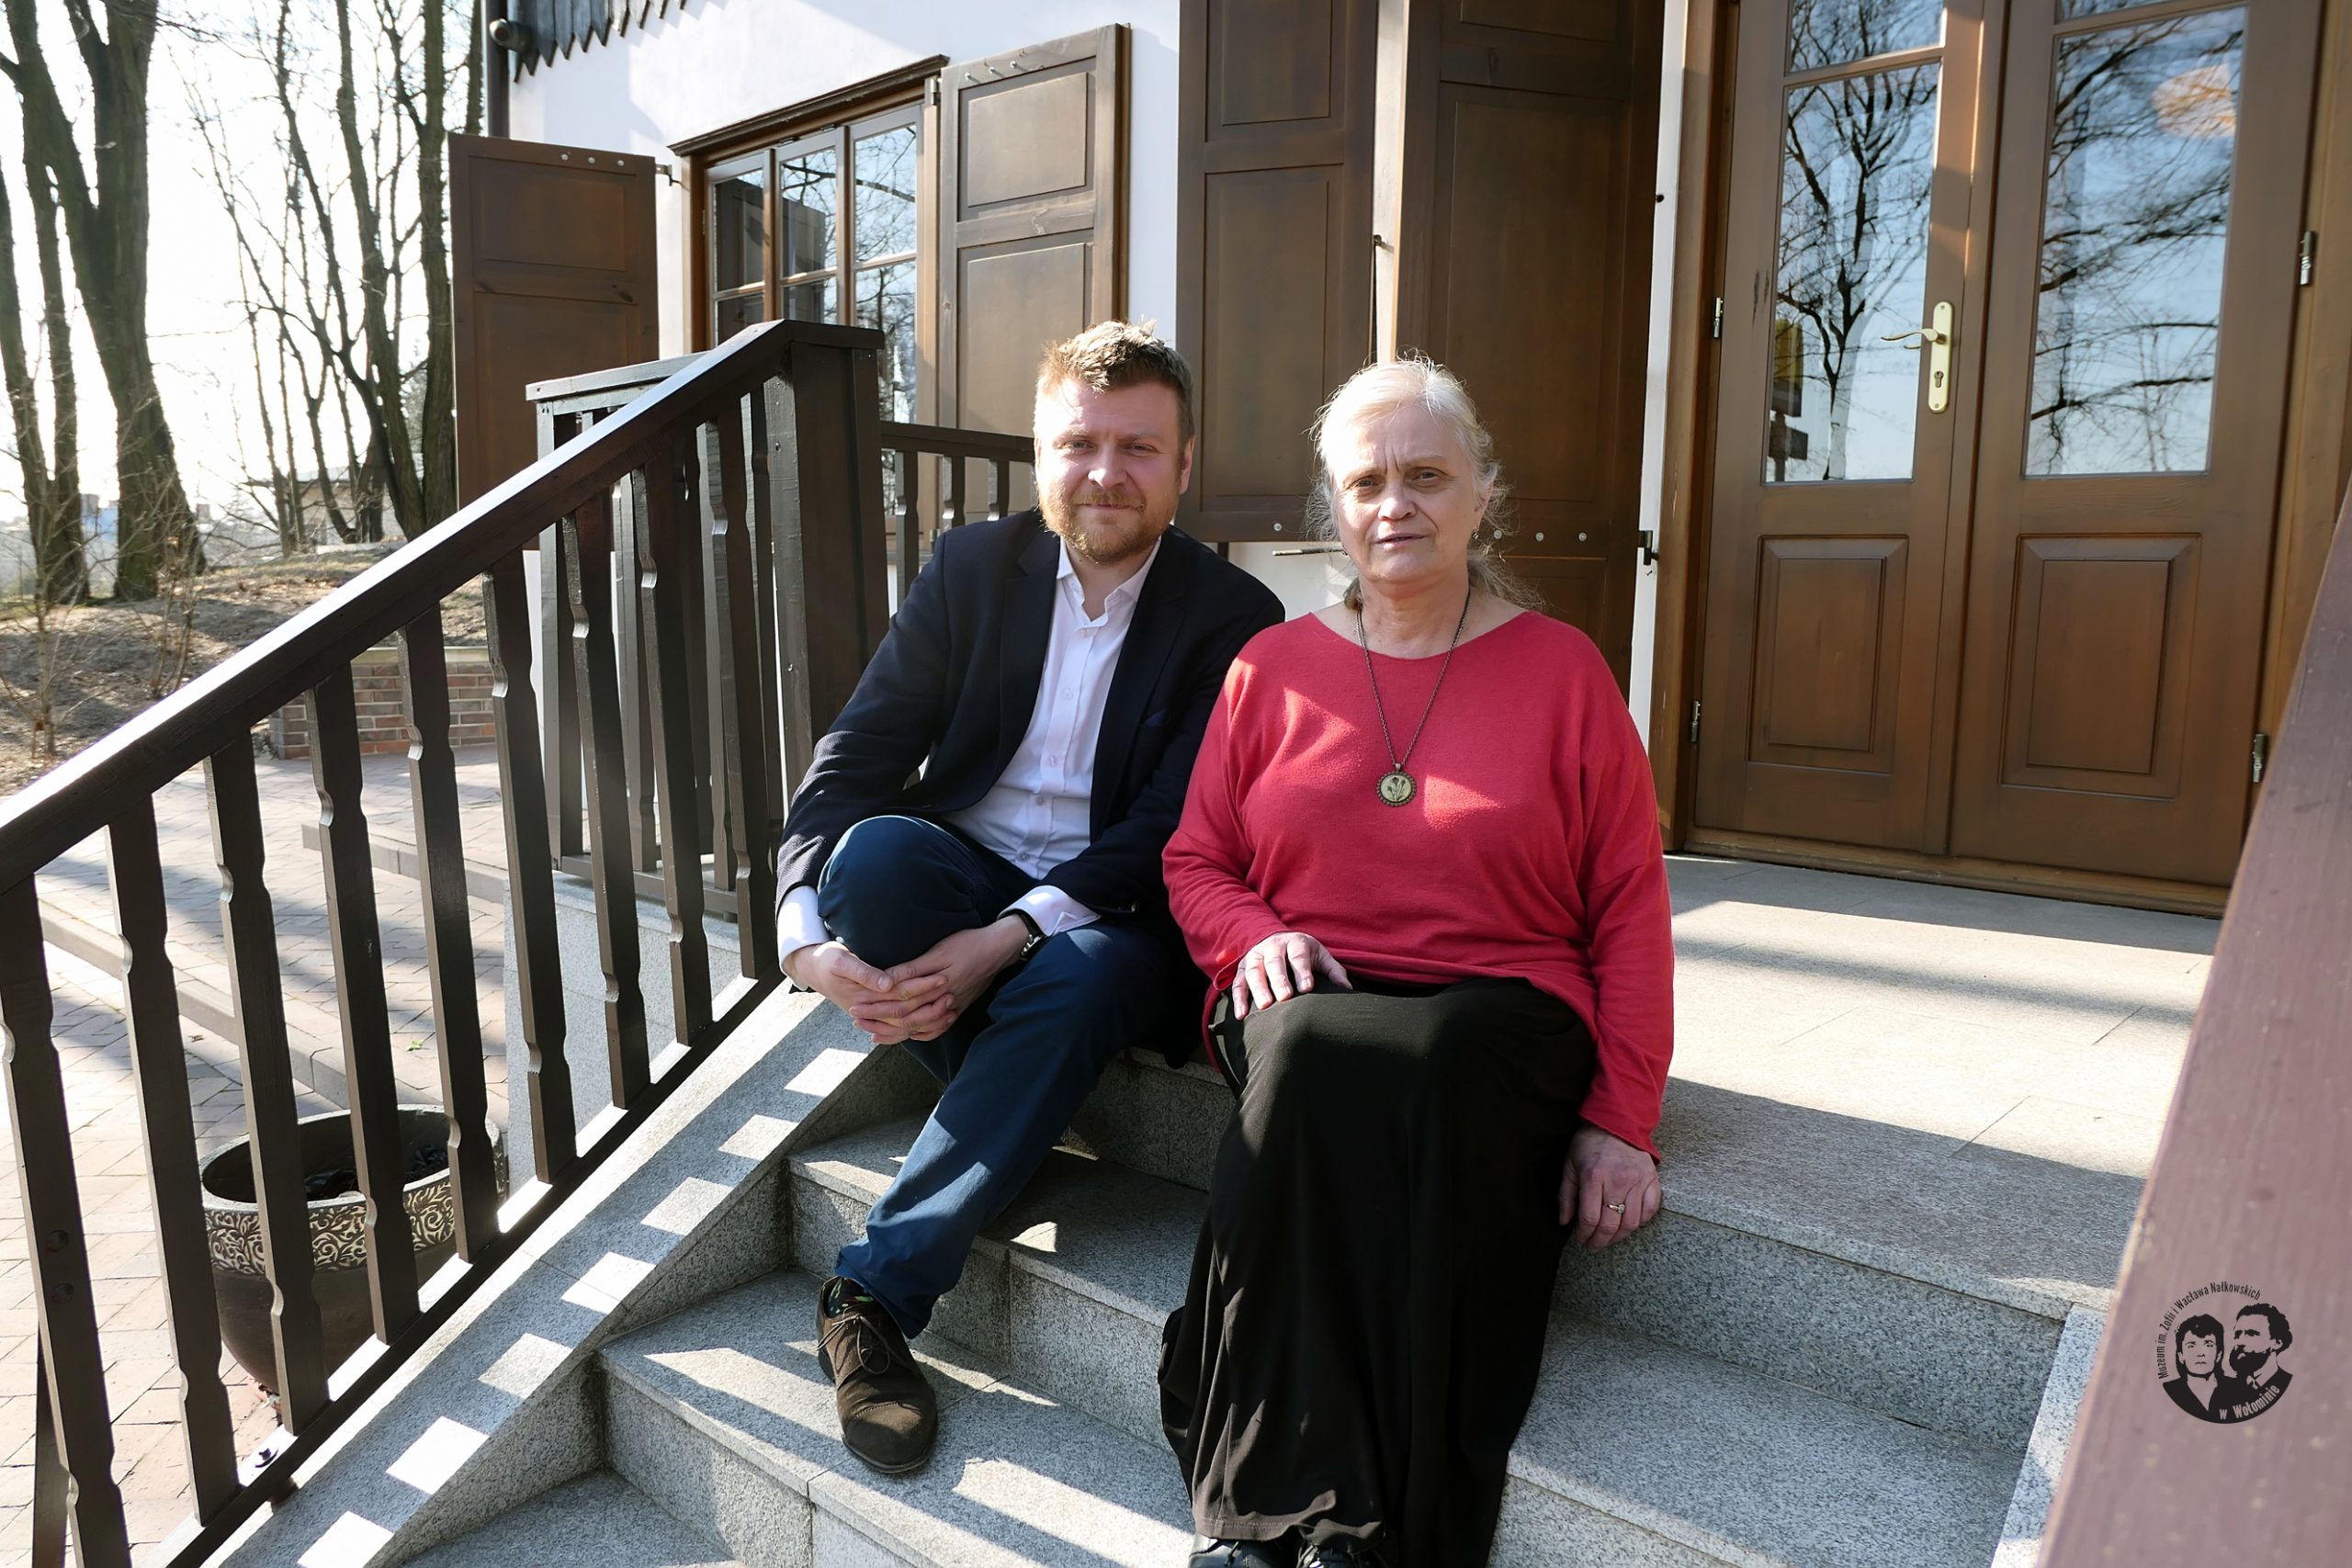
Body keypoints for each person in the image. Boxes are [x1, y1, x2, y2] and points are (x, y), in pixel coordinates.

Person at [1157, 358, 1675, 1567]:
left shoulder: (1565, 672)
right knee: (1307, 1048)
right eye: (1368, 479)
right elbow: (1196, 860)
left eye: (1427, 475)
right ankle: (1268, 1516)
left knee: (1424, 1060)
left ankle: (1368, 1527)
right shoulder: (1270, 668)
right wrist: (1255, 936)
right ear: (1333, 508)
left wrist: (1623, 1114)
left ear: (1483, 493)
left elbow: (1628, 907)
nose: (1397, 502)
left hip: (1500, 1001)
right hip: (1305, 982)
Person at [776, 322, 1283, 1475]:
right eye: (1081, 443)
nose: (1106, 472)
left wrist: (1007, 939)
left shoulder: (1234, 618)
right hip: (960, 877)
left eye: (1140, 448)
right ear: (1040, 452)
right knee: (871, 860)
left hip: (1118, 918)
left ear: (1185, 465)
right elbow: (852, 758)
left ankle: (870, 1296)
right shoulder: (969, 568)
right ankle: (1010, 1113)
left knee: (1076, 972)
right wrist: (803, 939)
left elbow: (1167, 832)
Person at [2216, 1303, 2293, 1422]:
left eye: (2251, 1334)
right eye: (2237, 1334)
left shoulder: (2289, 1389)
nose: (2240, 1342)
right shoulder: (2225, 1390)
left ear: (2277, 1343)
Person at [2161, 1314, 2230, 1421]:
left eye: (2208, 1345)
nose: (2200, 1353)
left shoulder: (2237, 1391)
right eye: (2191, 1346)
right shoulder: (2168, 1392)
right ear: (2181, 1356)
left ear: (2219, 1355)